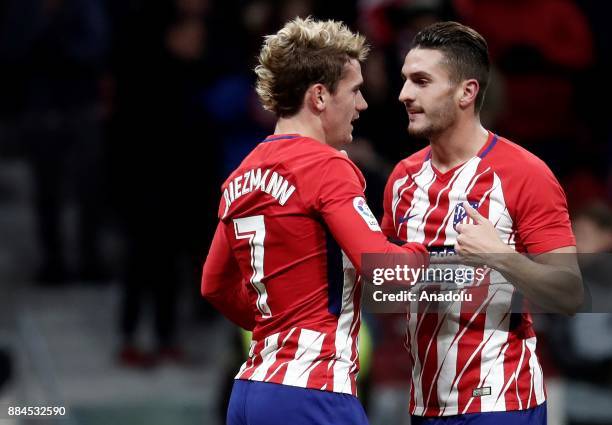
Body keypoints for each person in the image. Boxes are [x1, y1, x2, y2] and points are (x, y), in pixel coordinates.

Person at [201, 17, 428, 425]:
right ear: (320, 96)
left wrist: (278, 325)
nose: (362, 105)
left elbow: (213, 285)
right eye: (354, 91)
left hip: (250, 391)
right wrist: (424, 246)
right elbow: (385, 272)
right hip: (313, 392)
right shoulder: (326, 167)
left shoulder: (240, 177)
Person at [381, 21, 583, 424]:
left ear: (466, 92)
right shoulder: (401, 180)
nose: (404, 94)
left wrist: (502, 258)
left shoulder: (525, 173)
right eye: (405, 81)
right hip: (424, 406)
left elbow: (570, 294)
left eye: (421, 81)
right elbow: (387, 288)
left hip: (501, 403)